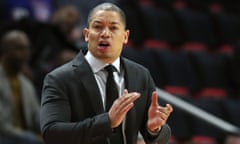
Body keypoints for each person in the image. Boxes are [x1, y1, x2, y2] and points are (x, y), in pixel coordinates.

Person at [40, 2, 173, 144]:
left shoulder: (141, 75)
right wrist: (107, 122)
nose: (105, 34)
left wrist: (154, 129)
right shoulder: (59, 78)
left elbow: (158, 137)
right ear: (86, 34)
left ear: (125, 36)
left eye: (113, 28)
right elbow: (51, 133)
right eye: (98, 27)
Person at [0, 30, 42, 144]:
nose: (26, 54)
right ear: (5, 51)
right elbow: (2, 127)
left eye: (27, 49)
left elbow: (36, 118)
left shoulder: (26, 84)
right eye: (20, 48)